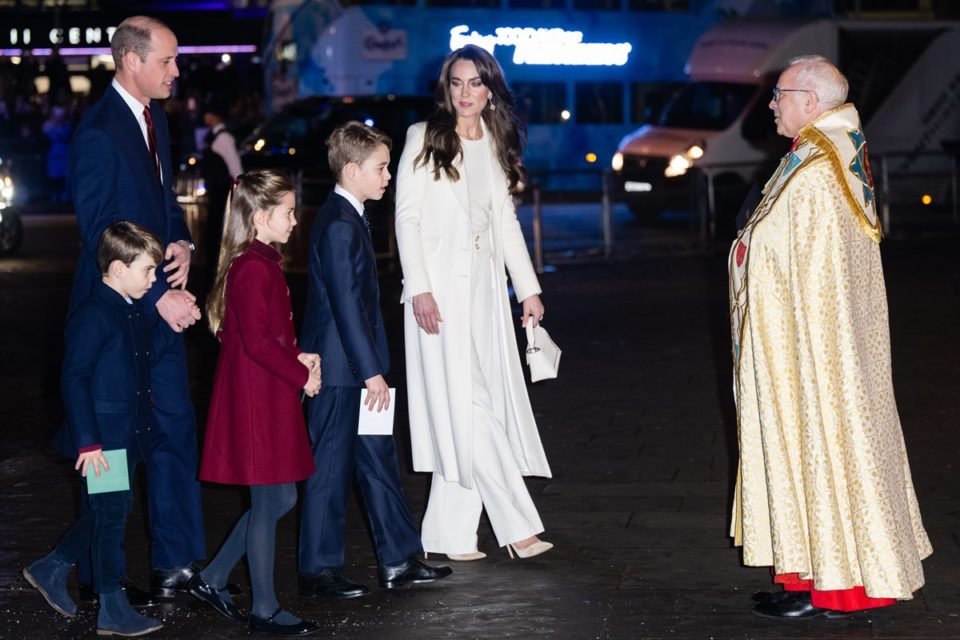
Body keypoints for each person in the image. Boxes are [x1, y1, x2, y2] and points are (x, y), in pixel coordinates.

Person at [728, 55, 932, 619]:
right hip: (797, 341)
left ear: (811, 103)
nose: (772, 103)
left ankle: (834, 586)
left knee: (820, 445)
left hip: (810, 349)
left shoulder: (819, 170)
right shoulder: (817, 156)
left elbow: (814, 273)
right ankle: (802, 574)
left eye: (780, 94)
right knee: (799, 452)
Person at [394, 45, 553, 561]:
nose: (465, 93)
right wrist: (418, 285)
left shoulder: (495, 140)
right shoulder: (423, 137)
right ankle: (517, 526)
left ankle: (448, 534)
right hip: (436, 295)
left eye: (474, 83)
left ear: (490, 90)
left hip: (484, 294)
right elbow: (406, 218)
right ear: (447, 87)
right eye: (457, 83)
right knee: (471, 404)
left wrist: (527, 288)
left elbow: (504, 222)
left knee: (466, 405)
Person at [68, 16, 206, 602]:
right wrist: (159, 296)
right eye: (167, 60)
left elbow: (161, 200)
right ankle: (103, 575)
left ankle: (176, 564)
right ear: (131, 60)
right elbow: (101, 234)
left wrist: (181, 243)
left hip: (159, 303)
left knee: (175, 428)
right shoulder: (98, 131)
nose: (176, 70)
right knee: (113, 448)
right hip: (116, 317)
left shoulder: (156, 121)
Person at [298, 121, 452, 598]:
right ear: (351, 170)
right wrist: (372, 373)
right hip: (344, 374)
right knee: (328, 468)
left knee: (378, 461)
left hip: (359, 370)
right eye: (381, 168)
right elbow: (344, 305)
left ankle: (399, 558)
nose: (389, 176)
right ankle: (318, 571)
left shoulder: (352, 217)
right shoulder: (340, 224)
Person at [191, 170, 321, 636]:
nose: (294, 220)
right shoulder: (251, 266)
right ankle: (263, 608)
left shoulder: (258, 261)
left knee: (280, 495)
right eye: (287, 212)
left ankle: (212, 577)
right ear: (262, 216)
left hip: (264, 392)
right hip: (256, 398)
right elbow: (260, 345)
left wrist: (297, 354)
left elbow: (263, 334)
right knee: (271, 499)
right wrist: (302, 374)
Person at [24, 221, 167, 637]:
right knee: (109, 517)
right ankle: (111, 607)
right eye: (148, 271)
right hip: (103, 440)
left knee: (109, 510)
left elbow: (138, 360)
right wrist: (88, 441)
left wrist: (168, 326)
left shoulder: (129, 308)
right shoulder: (93, 315)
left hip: (126, 433)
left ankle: (51, 568)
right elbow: (74, 378)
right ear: (118, 268)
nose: (153, 279)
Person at [199, 97, 242, 270]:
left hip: (222, 194)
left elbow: (236, 168)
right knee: (213, 234)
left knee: (218, 234)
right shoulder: (213, 136)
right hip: (216, 192)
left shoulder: (223, 138)